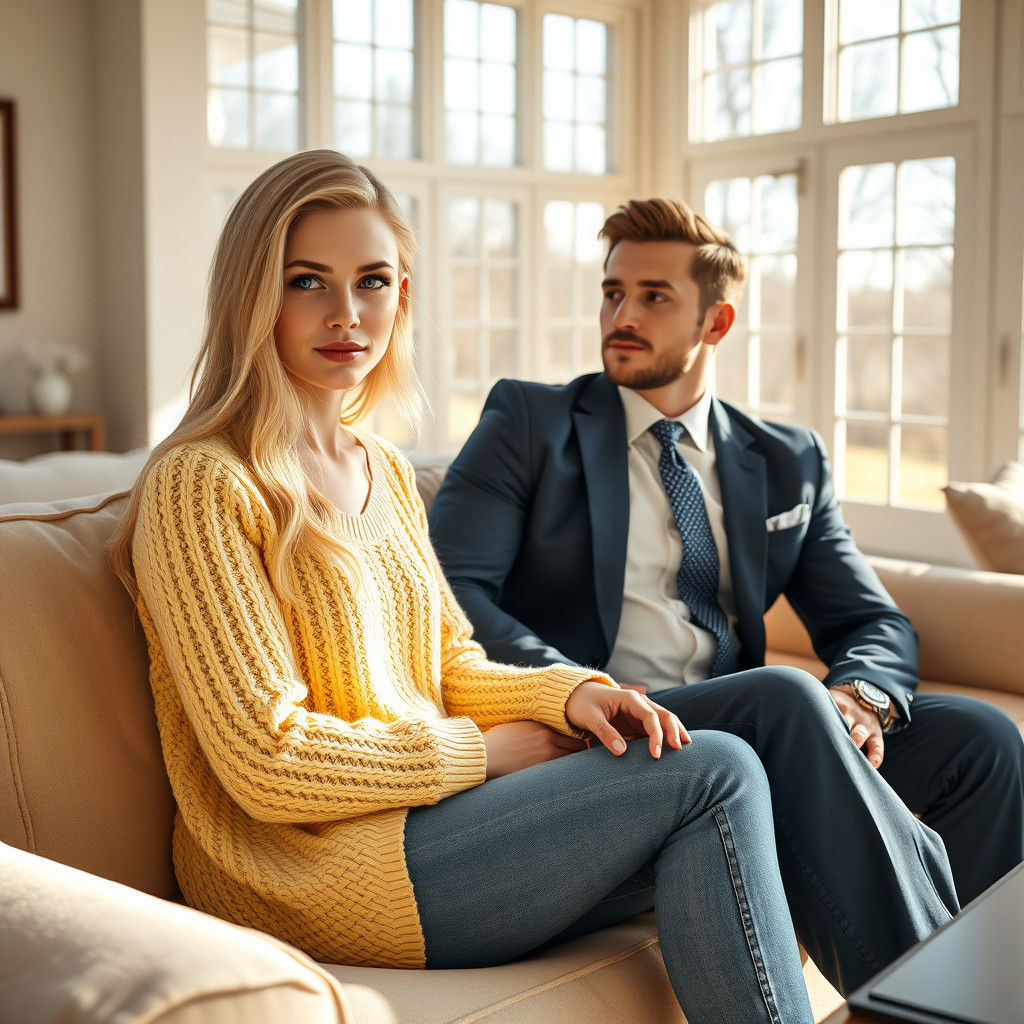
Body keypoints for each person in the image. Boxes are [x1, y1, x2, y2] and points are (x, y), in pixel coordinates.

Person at [107, 150, 912, 1024]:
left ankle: (937, 999)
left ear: (401, 296)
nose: (347, 313)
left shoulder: (376, 464)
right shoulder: (203, 482)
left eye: (371, 281)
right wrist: (482, 753)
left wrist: (573, 698)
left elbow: (448, 661)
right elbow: (270, 763)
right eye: (308, 282)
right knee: (712, 769)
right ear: (251, 293)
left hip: (431, 820)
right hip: (313, 872)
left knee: (759, 729)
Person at [430, 195, 1024, 991]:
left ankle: (964, 990)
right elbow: (452, 593)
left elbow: (868, 619)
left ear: (717, 322)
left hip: (750, 721)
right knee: (782, 699)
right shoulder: (531, 423)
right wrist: (577, 691)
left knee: (980, 740)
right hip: (609, 734)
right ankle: (940, 1009)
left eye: (653, 297)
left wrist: (859, 697)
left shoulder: (786, 460)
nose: (621, 315)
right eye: (612, 292)